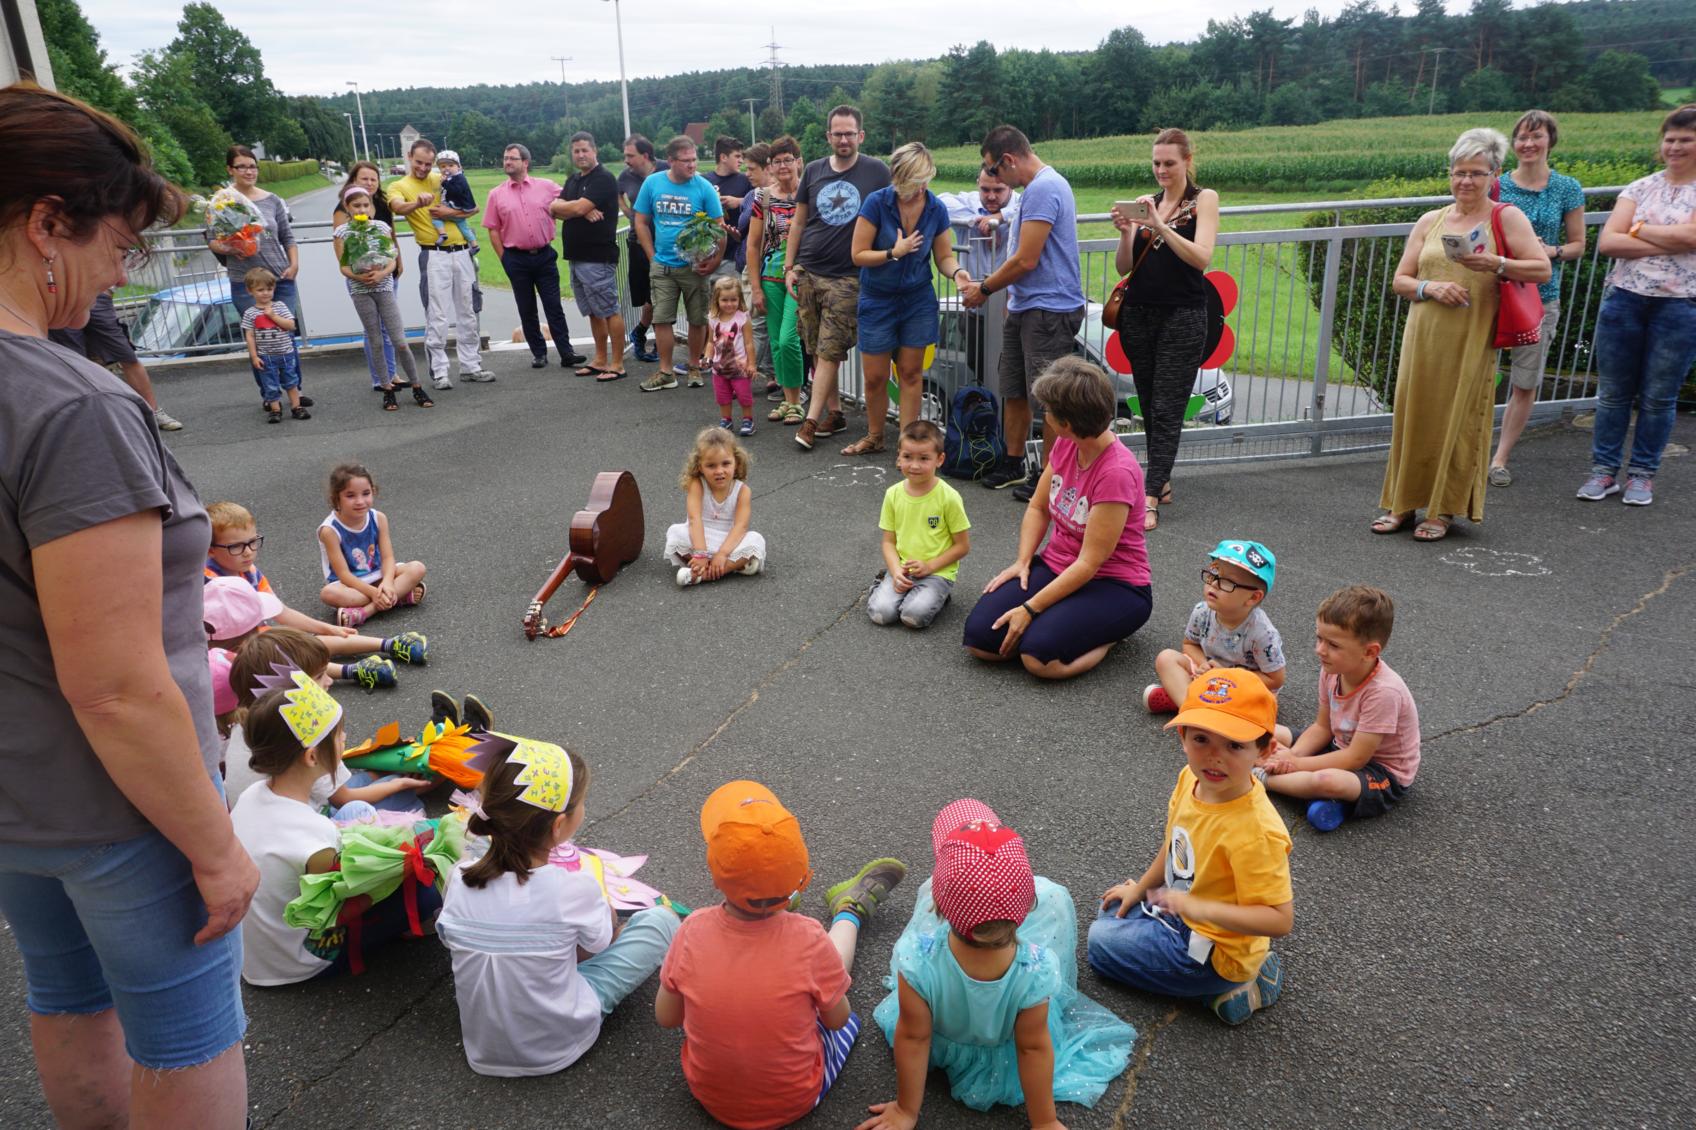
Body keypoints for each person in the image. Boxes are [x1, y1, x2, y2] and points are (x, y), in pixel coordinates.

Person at [0, 85, 254, 1128]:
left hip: (18, 799)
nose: (121, 273)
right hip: (123, 807)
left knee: (64, 995)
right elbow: (113, 684)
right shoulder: (70, 400)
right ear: (47, 221)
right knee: (187, 1035)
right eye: (120, 243)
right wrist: (213, 843)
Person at [863, 799, 1134, 1127]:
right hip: (1008, 1058)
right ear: (1025, 906)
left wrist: (907, 1110)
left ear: (937, 902)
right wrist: (1045, 1123)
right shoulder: (1036, 970)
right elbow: (1033, 1049)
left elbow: (914, 1038)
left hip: (939, 1045)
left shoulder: (917, 960)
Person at [656, 780, 907, 1129]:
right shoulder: (808, 938)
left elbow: (667, 1017)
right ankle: (848, 909)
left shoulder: (692, 930)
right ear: (803, 876)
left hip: (708, 1094)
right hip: (796, 1098)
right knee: (845, 1014)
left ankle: (765, 897)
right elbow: (836, 1020)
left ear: (715, 877)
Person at [437, 735, 681, 1076]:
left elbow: (455, 941)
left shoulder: (458, 878)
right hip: (560, 1043)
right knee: (661, 922)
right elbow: (600, 945)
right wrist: (608, 916)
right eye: (580, 803)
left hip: (483, 1048)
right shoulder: (575, 888)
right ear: (558, 826)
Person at [1087, 671, 1293, 1025]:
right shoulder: (1190, 779)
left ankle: (1231, 986)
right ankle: (1228, 974)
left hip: (1216, 949)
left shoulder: (1256, 831)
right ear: (1182, 736)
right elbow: (1174, 844)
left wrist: (1195, 905)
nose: (1214, 758)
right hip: (1183, 912)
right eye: (1201, 739)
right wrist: (1142, 887)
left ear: (1265, 750)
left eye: (1234, 745)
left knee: (1099, 945)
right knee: (1110, 911)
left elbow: (1279, 919)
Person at [1376, 127, 1548, 541]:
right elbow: (1401, 279)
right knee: (1413, 416)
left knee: (1458, 419)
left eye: (1476, 172)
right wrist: (1429, 287)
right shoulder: (1431, 220)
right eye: (1459, 172)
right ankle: (1402, 503)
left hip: (1471, 336)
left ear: (1495, 174)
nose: (1466, 181)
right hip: (1424, 334)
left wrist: (1497, 264)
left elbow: (1541, 268)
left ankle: (1443, 510)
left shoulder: (1505, 217)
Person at [229, 670, 441, 984]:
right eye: (339, 735)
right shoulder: (315, 836)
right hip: (300, 962)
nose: (345, 739)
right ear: (312, 756)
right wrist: (407, 866)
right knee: (431, 876)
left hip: (256, 957)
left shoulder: (251, 796)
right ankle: (412, 925)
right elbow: (337, 911)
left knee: (357, 810)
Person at [963, 358, 1154, 680]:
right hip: (1058, 565)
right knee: (982, 641)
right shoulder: (1067, 445)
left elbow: (1089, 564)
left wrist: (1030, 609)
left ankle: (1109, 637)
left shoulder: (1116, 472)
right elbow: (1038, 507)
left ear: (1068, 421)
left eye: (1049, 410)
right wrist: (1022, 561)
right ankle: (1060, 622)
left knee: (1039, 661)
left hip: (1115, 584)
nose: (1045, 415)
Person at [1580, 104, 1696, 508]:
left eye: (1686, 139)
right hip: (1625, 299)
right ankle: (1604, 471)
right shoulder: (1639, 187)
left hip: (1680, 305)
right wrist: (1674, 236)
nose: (1676, 147)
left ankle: (1643, 475)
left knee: (1659, 397)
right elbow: (1609, 242)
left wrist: (1641, 229)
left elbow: (1694, 239)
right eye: (1670, 139)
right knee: (1612, 393)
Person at [962, 126, 1086, 501]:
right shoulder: (1037, 190)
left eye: (995, 171)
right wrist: (1010, 299)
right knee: (1013, 388)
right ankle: (1014, 462)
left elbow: (1026, 258)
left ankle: (1050, 477)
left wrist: (984, 289)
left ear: (1009, 160)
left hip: (1049, 309)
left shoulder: (1045, 189)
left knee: (1049, 398)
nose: (996, 180)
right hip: (1026, 305)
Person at [1109, 128, 1222, 530]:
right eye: (1156, 163)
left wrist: (1158, 225)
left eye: (1169, 163)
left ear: (1188, 161)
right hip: (1139, 312)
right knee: (1148, 401)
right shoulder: (1148, 203)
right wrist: (1127, 233)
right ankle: (1164, 480)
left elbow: (1200, 257)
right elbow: (1124, 267)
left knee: (1168, 406)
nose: (1161, 170)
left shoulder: (1202, 199)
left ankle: (1150, 493)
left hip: (1183, 313)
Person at [1257, 585, 1421, 834]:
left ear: (1370, 652)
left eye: (1333, 644)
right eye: (1319, 638)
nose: (1320, 650)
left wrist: (1293, 763)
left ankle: (1261, 778)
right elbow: (1322, 727)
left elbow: (1356, 758)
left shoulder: (1384, 692)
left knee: (1328, 781)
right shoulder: (1332, 670)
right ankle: (1306, 790)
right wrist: (1294, 757)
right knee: (1262, 729)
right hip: (1338, 743)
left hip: (1380, 771)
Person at [205, 500, 426, 683]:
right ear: (210, 550)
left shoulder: (249, 571)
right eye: (237, 546)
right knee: (281, 653)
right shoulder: (209, 584)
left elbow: (282, 613)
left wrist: (329, 628)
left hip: (258, 637)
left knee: (305, 641)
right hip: (229, 652)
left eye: (253, 542)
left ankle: (390, 644)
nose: (248, 552)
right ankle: (353, 671)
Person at [843, 142, 969, 456]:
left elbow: (943, 257)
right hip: (878, 298)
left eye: (923, 182)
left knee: (911, 374)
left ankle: (906, 445)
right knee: (874, 377)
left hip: (917, 300)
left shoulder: (935, 208)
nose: (917, 189)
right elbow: (858, 254)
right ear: (898, 177)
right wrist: (892, 253)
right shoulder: (876, 203)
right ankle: (875, 435)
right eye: (911, 183)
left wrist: (957, 273)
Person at [222, 631, 433, 817]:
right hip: (315, 826)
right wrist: (399, 785)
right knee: (404, 785)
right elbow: (345, 800)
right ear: (291, 691)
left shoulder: (247, 723)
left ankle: (409, 767)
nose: (330, 681)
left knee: (371, 776)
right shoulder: (303, 731)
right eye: (320, 676)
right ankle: (434, 764)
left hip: (274, 820)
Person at [785, 105, 892, 450]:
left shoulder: (877, 171)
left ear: (861, 136)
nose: (843, 139)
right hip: (810, 270)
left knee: (830, 349)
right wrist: (790, 266)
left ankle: (810, 422)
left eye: (850, 133)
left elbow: (898, 207)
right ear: (828, 136)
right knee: (814, 345)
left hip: (850, 276)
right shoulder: (814, 171)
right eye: (837, 133)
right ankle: (835, 411)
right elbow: (799, 222)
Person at [1488, 111, 1586, 487]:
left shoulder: (1566, 188)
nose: (1528, 144)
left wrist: (1552, 251)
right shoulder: (1495, 186)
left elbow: (1578, 244)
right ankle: (1474, 448)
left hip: (1539, 297)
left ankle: (1500, 457)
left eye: (1536, 136)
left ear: (1550, 141)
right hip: (1493, 292)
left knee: (1525, 381)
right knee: (1479, 373)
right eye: (1522, 137)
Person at [1144, 540, 1288, 735]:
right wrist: (1203, 665)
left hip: (1241, 688)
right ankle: (1195, 712)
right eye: (1214, 573)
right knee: (1166, 658)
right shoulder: (1202, 611)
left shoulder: (1262, 633)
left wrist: (1228, 676)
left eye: (1228, 582)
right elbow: (1189, 645)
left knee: (1262, 706)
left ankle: (1187, 703)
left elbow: (1275, 679)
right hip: (1209, 675)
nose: (1214, 584)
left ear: (1253, 598)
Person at [387, 138, 492, 389]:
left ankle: (471, 366)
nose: (424, 168)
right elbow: (397, 207)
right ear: (410, 156)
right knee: (438, 314)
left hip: (462, 252)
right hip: (434, 254)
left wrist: (449, 214)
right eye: (419, 162)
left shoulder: (442, 177)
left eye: (428, 163)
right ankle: (440, 371)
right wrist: (418, 204)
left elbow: (473, 208)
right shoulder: (399, 185)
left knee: (468, 311)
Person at [634, 136, 726, 392]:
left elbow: (720, 229)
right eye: (686, 161)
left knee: (697, 319)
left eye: (694, 160)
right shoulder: (653, 183)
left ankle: (694, 366)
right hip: (662, 266)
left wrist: (715, 261)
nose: (692, 165)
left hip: (694, 267)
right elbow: (640, 221)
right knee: (662, 319)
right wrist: (651, 256)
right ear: (671, 161)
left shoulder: (704, 187)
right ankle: (666, 371)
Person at [483, 142, 582, 372]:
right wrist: (504, 259)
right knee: (526, 308)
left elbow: (570, 200)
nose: (507, 162)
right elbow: (493, 229)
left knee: (553, 306)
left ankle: (566, 352)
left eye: (512, 158)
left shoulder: (547, 186)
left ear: (525, 163)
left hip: (544, 255)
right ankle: (539, 353)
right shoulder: (496, 194)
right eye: (505, 158)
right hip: (516, 258)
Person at [869, 420, 972, 631]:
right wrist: (896, 570)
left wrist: (930, 566)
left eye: (924, 458)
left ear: (939, 459)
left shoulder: (949, 497)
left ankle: (939, 596)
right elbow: (888, 542)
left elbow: (962, 546)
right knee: (881, 615)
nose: (914, 465)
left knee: (912, 617)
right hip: (904, 569)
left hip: (937, 573)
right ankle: (885, 583)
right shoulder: (893, 494)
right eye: (907, 457)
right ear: (899, 456)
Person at [334, 185, 425, 410]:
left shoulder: (381, 227)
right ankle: (386, 388)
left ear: (372, 207)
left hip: (384, 287)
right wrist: (360, 277)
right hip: (360, 290)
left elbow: (392, 259)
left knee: (399, 341)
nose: (361, 209)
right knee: (375, 340)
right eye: (356, 206)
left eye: (366, 205)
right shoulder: (342, 232)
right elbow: (343, 266)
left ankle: (416, 385)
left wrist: (383, 273)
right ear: (347, 208)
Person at [48, 290, 184, 430]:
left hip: (94, 295)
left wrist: (107, 290)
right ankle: (86, 419)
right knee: (73, 362)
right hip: (60, 299)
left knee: (127, 355)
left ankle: (153, 412)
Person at [317, 462, 428, 628]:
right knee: (328, 594)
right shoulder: (329, 530)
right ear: (336, 497)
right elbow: (343, 574)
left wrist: (388, 583)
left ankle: (365, 612)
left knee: (417, 568)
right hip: (350, 585)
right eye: (350, 495)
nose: (360, 501)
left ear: (373, 491)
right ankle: (398, 596)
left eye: (366, 493)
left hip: (379, 577)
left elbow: (388, 557)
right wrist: (374, 593)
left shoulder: (379, 518)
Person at [552, 131, 625, 379]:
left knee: (609, 309)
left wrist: (577, 208)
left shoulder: (603, 179)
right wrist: (578, 210)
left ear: (595, 151)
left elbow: (575, 206)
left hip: (598, 258)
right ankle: (600, 359)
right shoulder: (573, 180)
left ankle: (617, 364)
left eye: (585, 150)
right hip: (576, 257)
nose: (581, 155)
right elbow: (553, 208)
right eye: (576, 151)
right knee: (593, 311)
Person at [939, 167, 1021, 383]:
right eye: (985, 189)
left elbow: (1036, 209)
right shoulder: (969, 202)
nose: (991, 196)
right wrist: (979, 220)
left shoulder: (1021, 205)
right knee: (982, 372)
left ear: (1010, 186)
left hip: (1012, 310)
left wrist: (1002, 217)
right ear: (977, 184)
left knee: (1013, 376)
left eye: (998, 190)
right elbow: (939, 202)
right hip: (976, 311)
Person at [332, 161, 407, 394]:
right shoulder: (344, 210)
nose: (370, 183)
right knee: (373, 329)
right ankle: (379, 378)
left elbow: (391, 235)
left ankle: (392, 373)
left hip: (386, 273)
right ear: (354, 181)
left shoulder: (381, 205)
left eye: (374, 179)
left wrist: (397, 262)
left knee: (388, 327)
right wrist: (359, 273)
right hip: (360, 278)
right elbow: (342, 252)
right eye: (364, 179)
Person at [208, 144, 301, 326]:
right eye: (241, 167)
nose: (248, 172)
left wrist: (294, 265)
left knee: (284, 336)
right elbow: (212, 240)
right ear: (230, 170)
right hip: (245, 282)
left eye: (252, 166)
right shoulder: (222, 202)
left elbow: (287, 237)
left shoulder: (272, 200)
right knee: (259, 336)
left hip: (279, 278)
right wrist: (233, 247)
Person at [664, 425, 766, 587]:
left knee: (756, 540)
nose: (719, 471)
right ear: (700, 466)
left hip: (728, 541)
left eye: (726, 464)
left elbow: (740, 527)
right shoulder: (697, 484)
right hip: (700, 538)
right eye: (711, 466)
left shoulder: (743, 491)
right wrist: (701, 553)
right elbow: (694, 519)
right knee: (675, 533)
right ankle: (729, 567)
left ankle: (701, 574)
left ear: (737, 463)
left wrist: (722, 554)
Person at [748, 135, 805, 425]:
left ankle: (796, 401)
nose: (782, 166)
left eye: (787, 160)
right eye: (776, 161)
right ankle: (787, 398)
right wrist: (755, 287)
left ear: (799, 162)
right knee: (776, 342)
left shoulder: (809, 194)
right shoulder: (764, 197)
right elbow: (753, 243)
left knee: (788, 339)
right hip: (770, 277)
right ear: (770, 166)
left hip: (799, 279)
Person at [619, 134, 667, 363]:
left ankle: (656, 342)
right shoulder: (625, 176)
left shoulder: (667, 169)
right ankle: (641, 333)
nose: (626, 160)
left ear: (645, 155)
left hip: (665, 244)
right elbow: (617, 193)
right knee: (649, 298)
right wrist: (629, 213)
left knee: (661, 297)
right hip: (638, 244)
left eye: (630, 155)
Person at [241, 267, 308, 424]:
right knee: (270, 384)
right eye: (260, 290)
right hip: (266, 356)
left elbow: (291, 325)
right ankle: (275, 410)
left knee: (291, 381)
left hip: (285, 353)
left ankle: (296, 407)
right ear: (250, 291)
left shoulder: (280, 307)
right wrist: (254, 356)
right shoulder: (250, 313)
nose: (265, 293)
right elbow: (250, 335)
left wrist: (273, 316)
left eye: (269, 289)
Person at [737, 143, 774, 395]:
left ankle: (743, 373)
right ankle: (772, 374)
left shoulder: (772, 197)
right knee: (757, 322)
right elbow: (745, 230)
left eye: (751, 168)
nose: (746, 173)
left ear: (767, 167)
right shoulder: (752, 195)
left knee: (756, 324)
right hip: (747, 265)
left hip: (764, 267)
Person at [705, 275, 757, 435]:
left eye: (733, 300)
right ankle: (726, 419)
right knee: (722, 396)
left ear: (739, 299)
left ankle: (748, 419)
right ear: (717, 300)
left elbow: (749, 343)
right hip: (719, 368)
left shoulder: (742, 318)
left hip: (739, 368)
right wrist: (707, 357)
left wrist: (751, 364)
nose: (729, 304)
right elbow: (710, 342)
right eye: (725, 300)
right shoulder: (713, 319)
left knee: (743, 395)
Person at [703, 135, 752, 282]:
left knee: (732, 303)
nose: (741, 160)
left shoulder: (745, 180)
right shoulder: (705, 181)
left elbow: (762, 199)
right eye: (737, 156)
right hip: (708, 254)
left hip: (734, 256)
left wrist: (740, 201)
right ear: (723, 157)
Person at [431, 150, 480, 248]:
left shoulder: (459, 178)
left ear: (458, 166)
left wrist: (444, 183)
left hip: (457, 206)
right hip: (460, 206)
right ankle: (474, 245)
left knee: (435, 217)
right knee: (463, 226)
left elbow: (455, 191)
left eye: (451, 165)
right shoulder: (453, 177)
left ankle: (443, 234)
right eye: (443, 166)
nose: (447, 169)